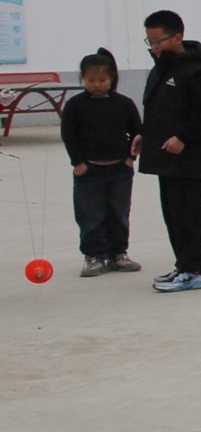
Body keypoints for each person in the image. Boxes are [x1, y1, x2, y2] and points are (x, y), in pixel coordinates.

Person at [139, 10, 201, 292]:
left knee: (189, 215)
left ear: (177, 37)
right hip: (165, 157)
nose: (154, 47)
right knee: (172, 214)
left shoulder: (195, 71)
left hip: (188, 160)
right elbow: (159, 109)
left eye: (158, 41)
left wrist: (184, 138)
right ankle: (182, 265)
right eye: (149, 41)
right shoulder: (162, 68)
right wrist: (144, 135)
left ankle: (193, 270)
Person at [63, 50, 143, 278]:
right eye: (90, 80)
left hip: (120, 170)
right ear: (83, 79)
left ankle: (118, 254)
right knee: (91, 215)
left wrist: (130, 159)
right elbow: (69, 135)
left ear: (112, 78)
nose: (96, 85)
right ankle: (93, 255)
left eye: (102, 80)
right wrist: (78, 162)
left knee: (119, 212)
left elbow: (137, 131)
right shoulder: (75, 105)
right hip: (89, 170)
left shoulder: (124, 103)